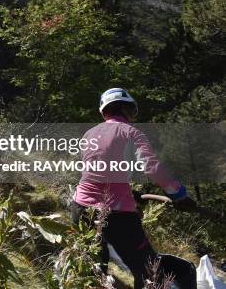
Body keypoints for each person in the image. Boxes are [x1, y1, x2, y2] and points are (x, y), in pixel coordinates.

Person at [72, 88, 196, 289]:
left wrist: (128, 193)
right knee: (150, 273)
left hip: (80, 208)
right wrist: (179, 195)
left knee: (92, 270)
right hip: (117, 216)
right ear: (125, 109)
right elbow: (152, 167)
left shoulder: (89, 134)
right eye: (132, 111)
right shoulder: (132, 133)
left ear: (105, 111)